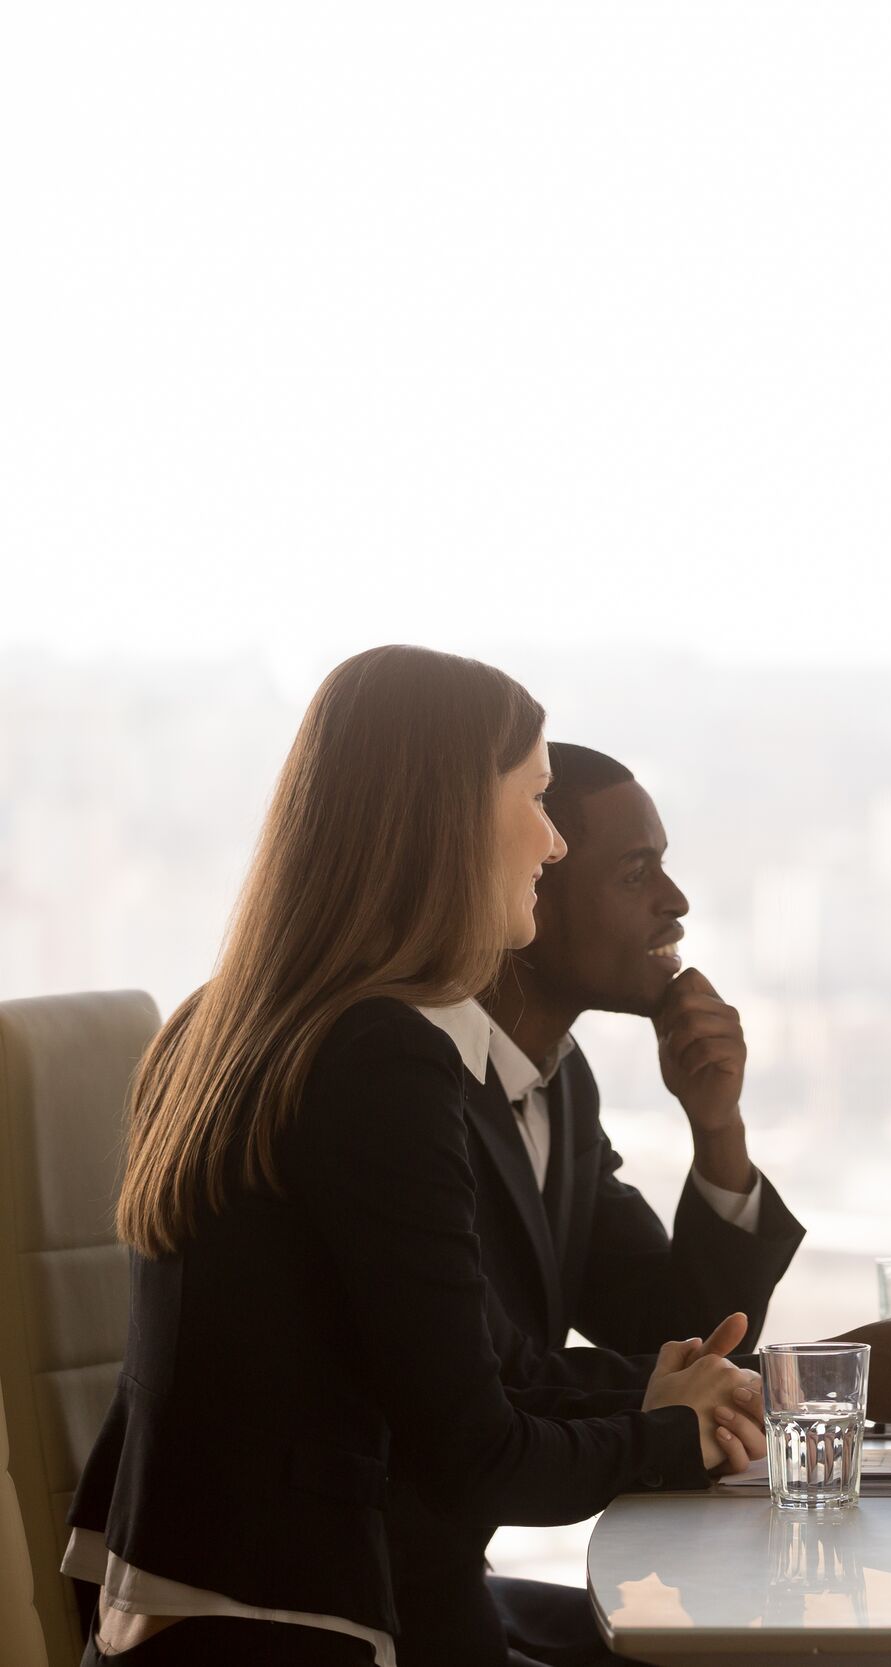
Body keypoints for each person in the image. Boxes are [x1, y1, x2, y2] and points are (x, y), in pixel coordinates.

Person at [63, 646, 762, 1666]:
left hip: (207, 1619)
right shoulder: (380, 1057)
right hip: (299, 1631)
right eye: (534, 798)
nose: (552, 840)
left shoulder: (238, 1021)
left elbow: (478, 1360)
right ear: (451, 820)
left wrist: (670, 1397)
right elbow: (478, 1453)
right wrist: (674, 1434)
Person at [395, 741, 891, 1664]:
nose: (675, 903)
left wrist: (718, 1128)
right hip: (372, 1595)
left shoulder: (556, 1084)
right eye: (638, 872)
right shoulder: (407, 1089)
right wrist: (813, 1382)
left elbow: (669, 1322)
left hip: (438, 1578)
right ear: (533, 881)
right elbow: (499, 1381)